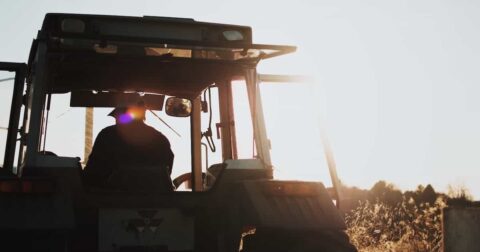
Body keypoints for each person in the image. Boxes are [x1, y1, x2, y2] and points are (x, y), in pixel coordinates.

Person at [83, 102, 174, 192]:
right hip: (157, 203)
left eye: (119, 117)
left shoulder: (107, 135)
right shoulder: (160, 139)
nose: (117, 120)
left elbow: (92, 175)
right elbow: (165, 175)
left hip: (111, 203)